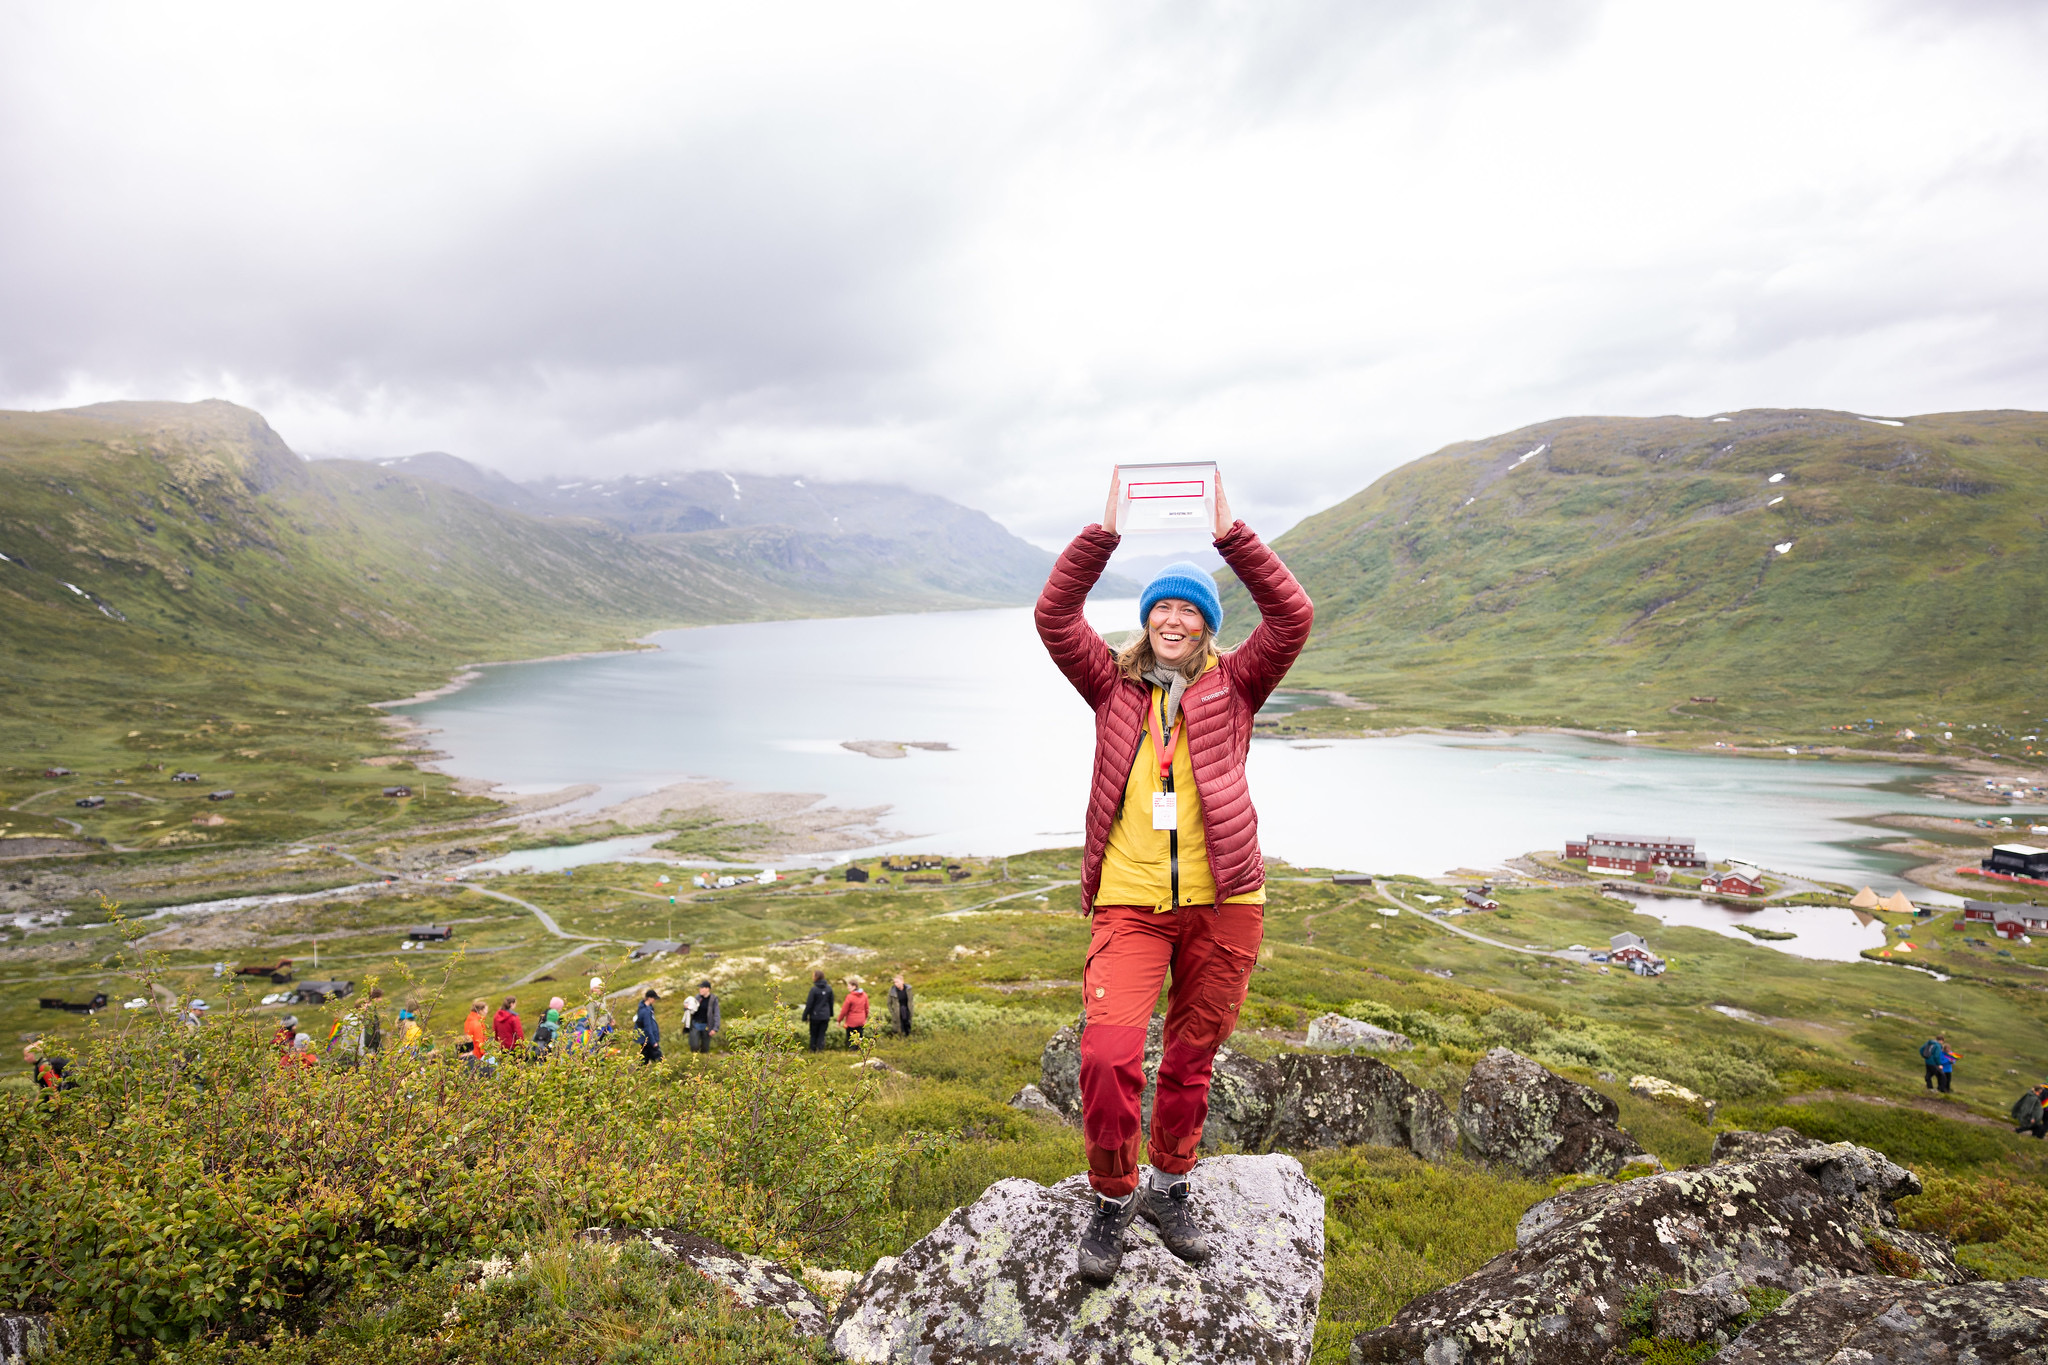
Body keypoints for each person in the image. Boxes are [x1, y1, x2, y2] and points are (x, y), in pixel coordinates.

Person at [1036, 469, 1312, 1286]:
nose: (1175, 619)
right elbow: (1054, 614)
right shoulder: (1110, 683)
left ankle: (1170, 1185)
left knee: (1192, 1059)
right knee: (1108, 1053)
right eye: (1163, 607)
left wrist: (1233, 535)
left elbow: (1292, 615)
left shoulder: (1239, 683)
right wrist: (1103, 533)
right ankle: (1112, 1195)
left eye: (1191, 610)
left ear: (1208, 627)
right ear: (1147, 617)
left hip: (1226, 903)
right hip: (1131, 901)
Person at [802, 971, 836, 1052]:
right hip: (825, 1016)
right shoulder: (829, 989)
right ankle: (820, 1050)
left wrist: (804, 1016)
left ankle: (812, 1050)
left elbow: (809, 1004)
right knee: (822, 1034)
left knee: (813, 1034)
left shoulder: (814, 989)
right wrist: (830, 1013)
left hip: (815, 1016)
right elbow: (831, 1002)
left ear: (816, 977)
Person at [635, 989, 663, 1064]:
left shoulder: (645, 1009)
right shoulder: (646, 1011)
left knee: (644, 1059)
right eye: (654, 998)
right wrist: (653, 1042)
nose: (654, 1001)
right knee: (659, 1059)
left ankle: (640, 1070)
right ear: (649, 998)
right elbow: (647, 1027)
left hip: (645, 1039)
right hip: (648, 1040)